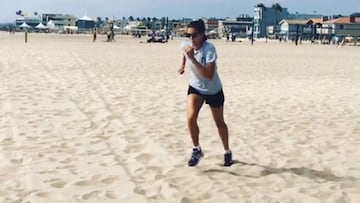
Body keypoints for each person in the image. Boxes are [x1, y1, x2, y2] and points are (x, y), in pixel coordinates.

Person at [178, 19, 233, 167]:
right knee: (190, 118)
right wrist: (183, 65)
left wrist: (192, 60)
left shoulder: (209, 49)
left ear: (202, 34)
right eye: (188, 35)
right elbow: (184, 52)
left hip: (213, 89)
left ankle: (227, 151)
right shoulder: (186, 45)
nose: (191, 39)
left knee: (219, 123)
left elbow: (208, 75)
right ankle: (196, 149)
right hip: (196, 87)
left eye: (194, 35)